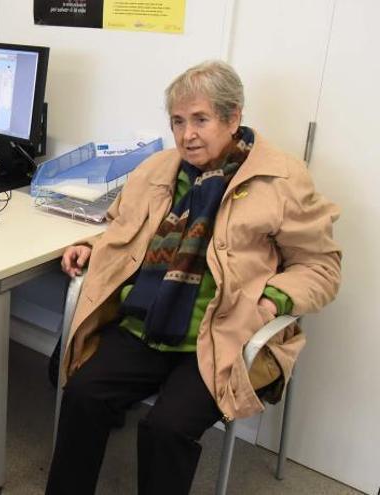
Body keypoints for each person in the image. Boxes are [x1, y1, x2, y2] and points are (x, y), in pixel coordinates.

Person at [47, 60, 342, 494]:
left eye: (201, 120)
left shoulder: (281, 180)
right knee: (83, 396)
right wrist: (93, 247)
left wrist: (272, 300)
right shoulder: (157, 169)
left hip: (220, 333)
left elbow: (321, 266)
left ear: (233, 116)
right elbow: (122, 227)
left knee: (166, 429)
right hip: (146, 322)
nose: (188, 135)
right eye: (178, 122)